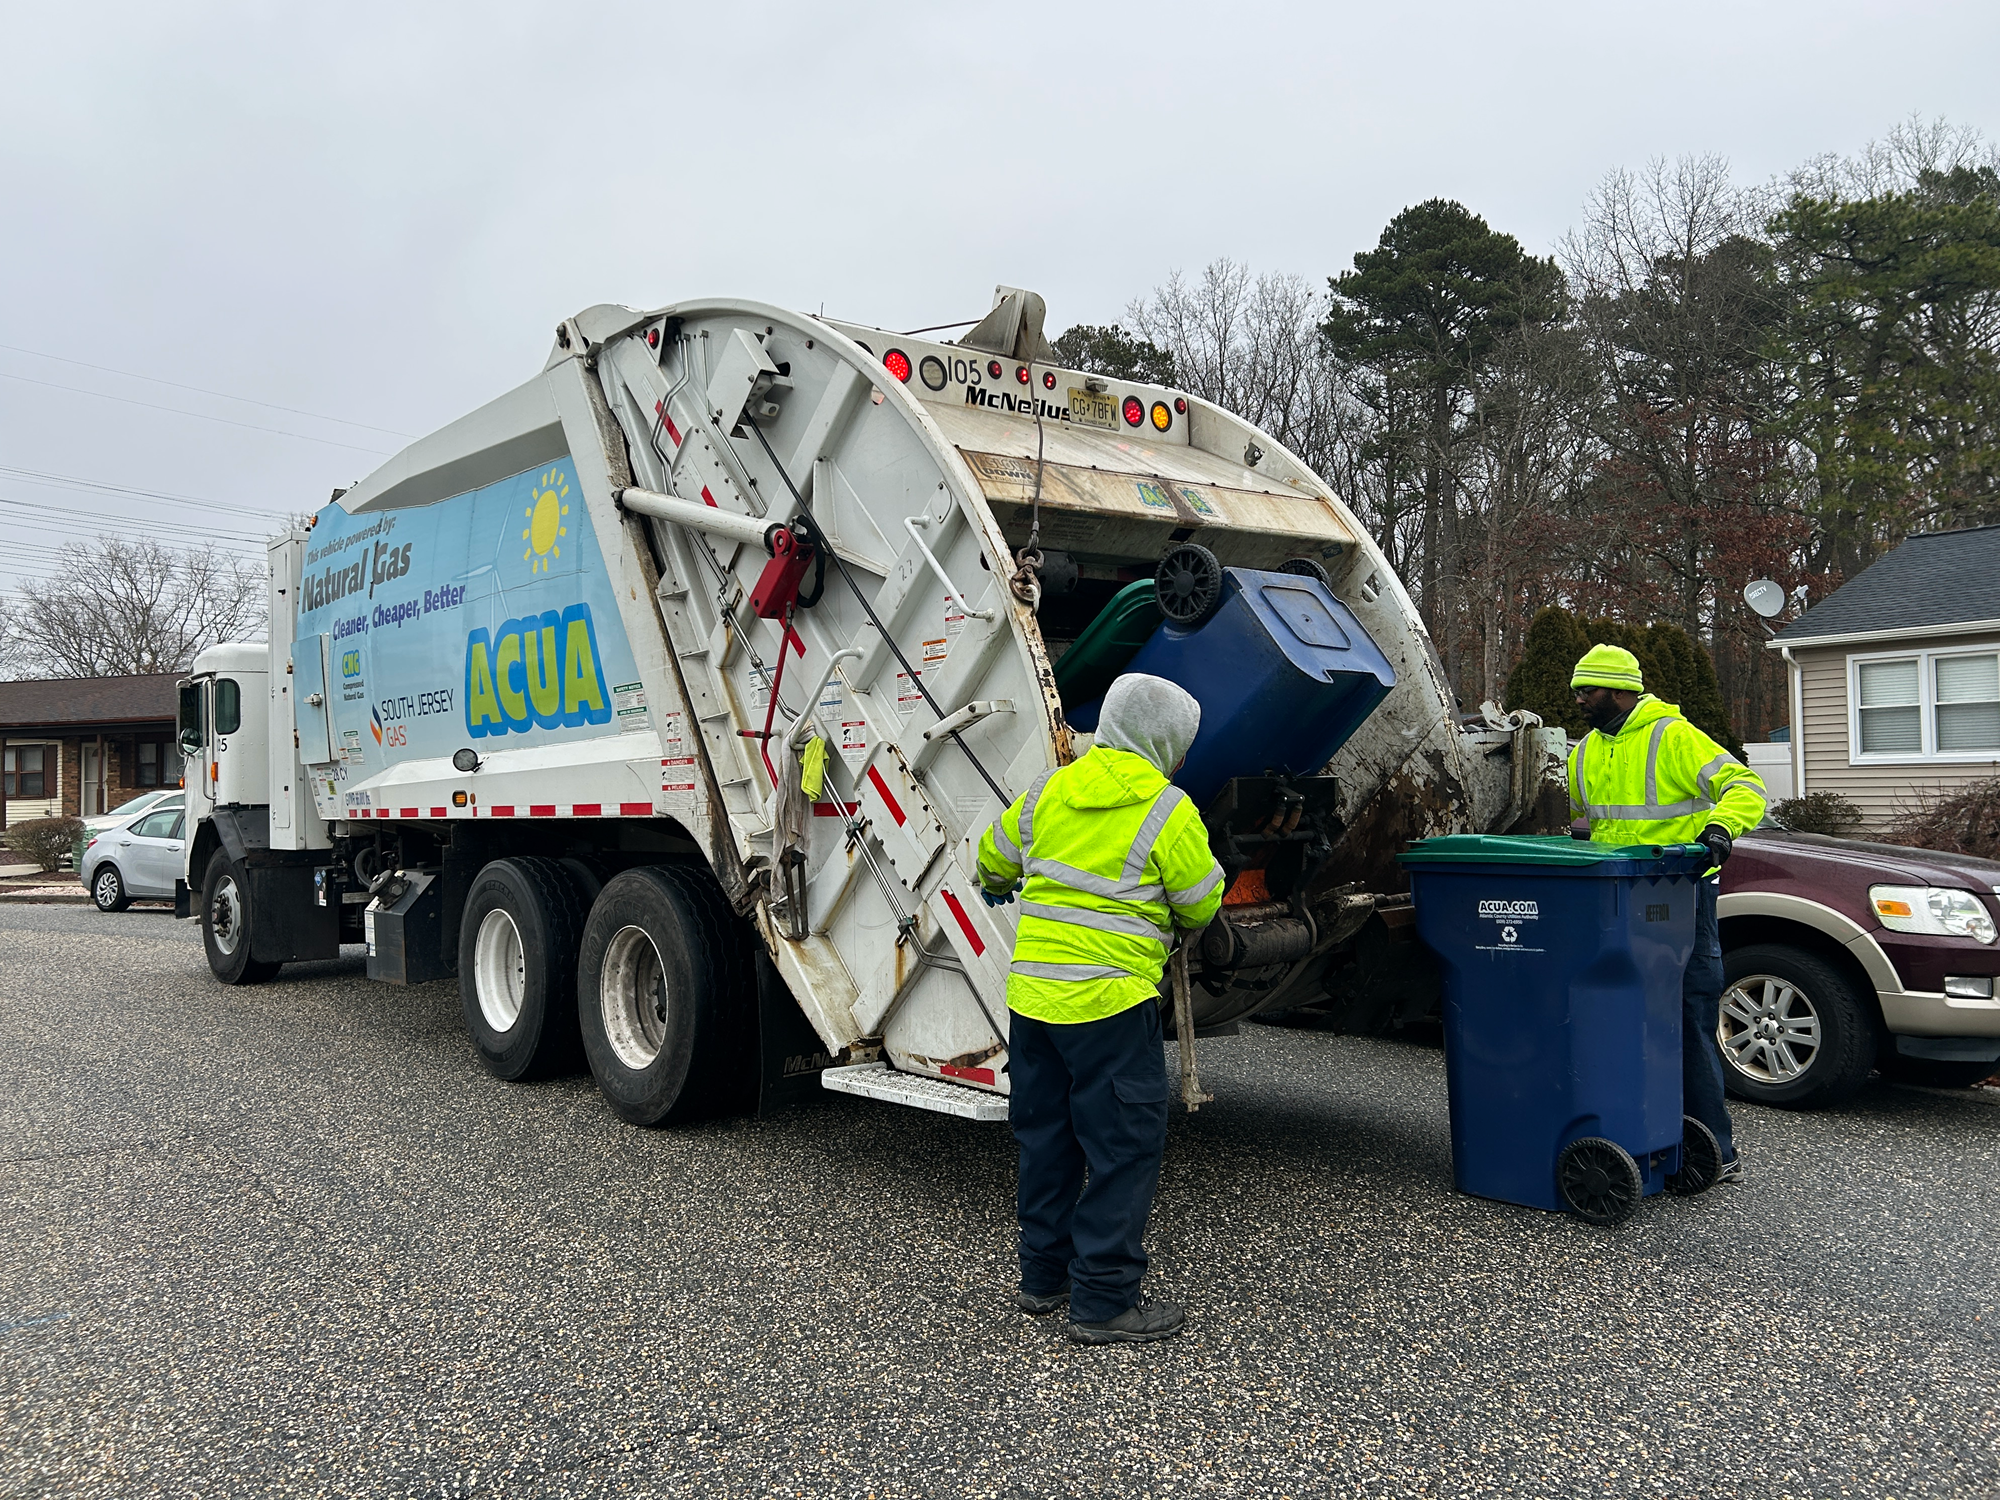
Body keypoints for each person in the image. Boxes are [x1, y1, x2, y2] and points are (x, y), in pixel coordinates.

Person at [976, 673, 1224, 1345]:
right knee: (1121, 1148)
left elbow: (991, 860)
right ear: (1164, 742)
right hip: (1109, 1008)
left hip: (1033, 1006)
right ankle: (1104, 1302)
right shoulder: (1166, 809)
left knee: (1047, 1139)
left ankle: (1043, 1278)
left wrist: (1004, 883)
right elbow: (1202, 902)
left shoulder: (1049, 791)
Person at [1568, 644, 1767, 1184]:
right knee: (1625, 1016)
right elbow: (1584, 828)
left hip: (1681, 894)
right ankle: (1646, 1138)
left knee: (1687, 1012)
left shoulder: (1673, 737)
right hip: (1615, 900)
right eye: (1578, 691)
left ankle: (1713, 1149)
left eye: (1588, 690)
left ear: (1621, 691)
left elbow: (1746, 786)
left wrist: (1721, 828)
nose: (1580, 700)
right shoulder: (1584, 751)